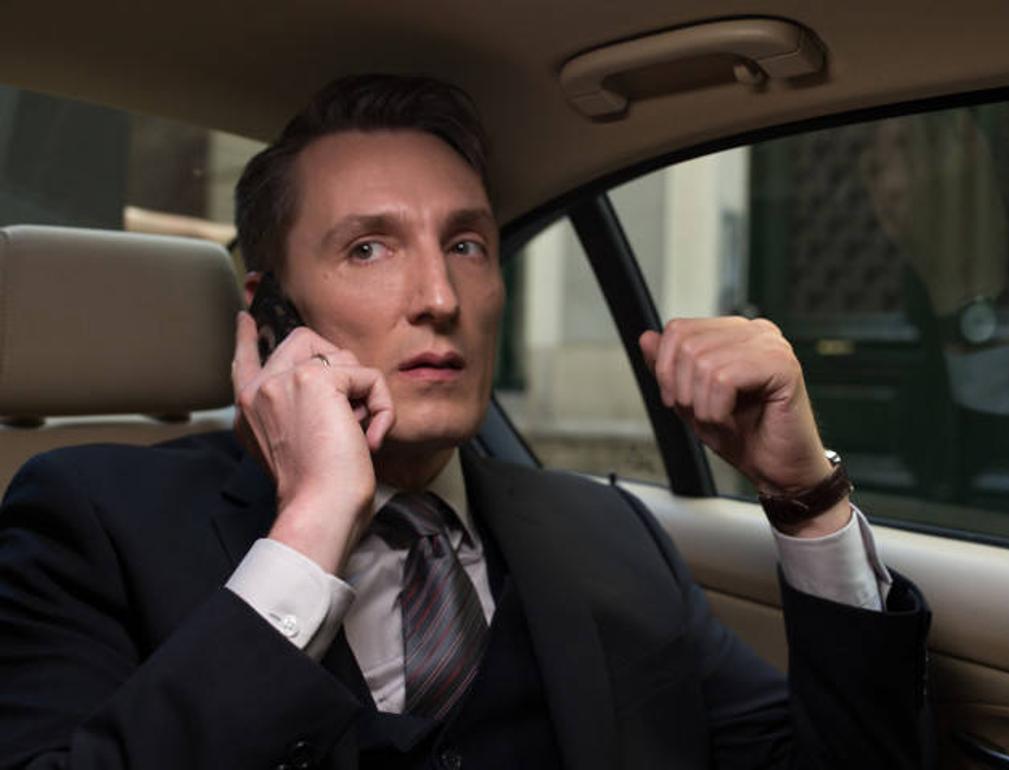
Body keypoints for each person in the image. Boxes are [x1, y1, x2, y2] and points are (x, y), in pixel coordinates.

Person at [0, 74, 931, 769]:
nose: (440, 297)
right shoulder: (89, 520)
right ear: (271, 313)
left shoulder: (606, 532)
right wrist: (311, 526)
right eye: (369, 248)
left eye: (467, 244)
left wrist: (806, 498)